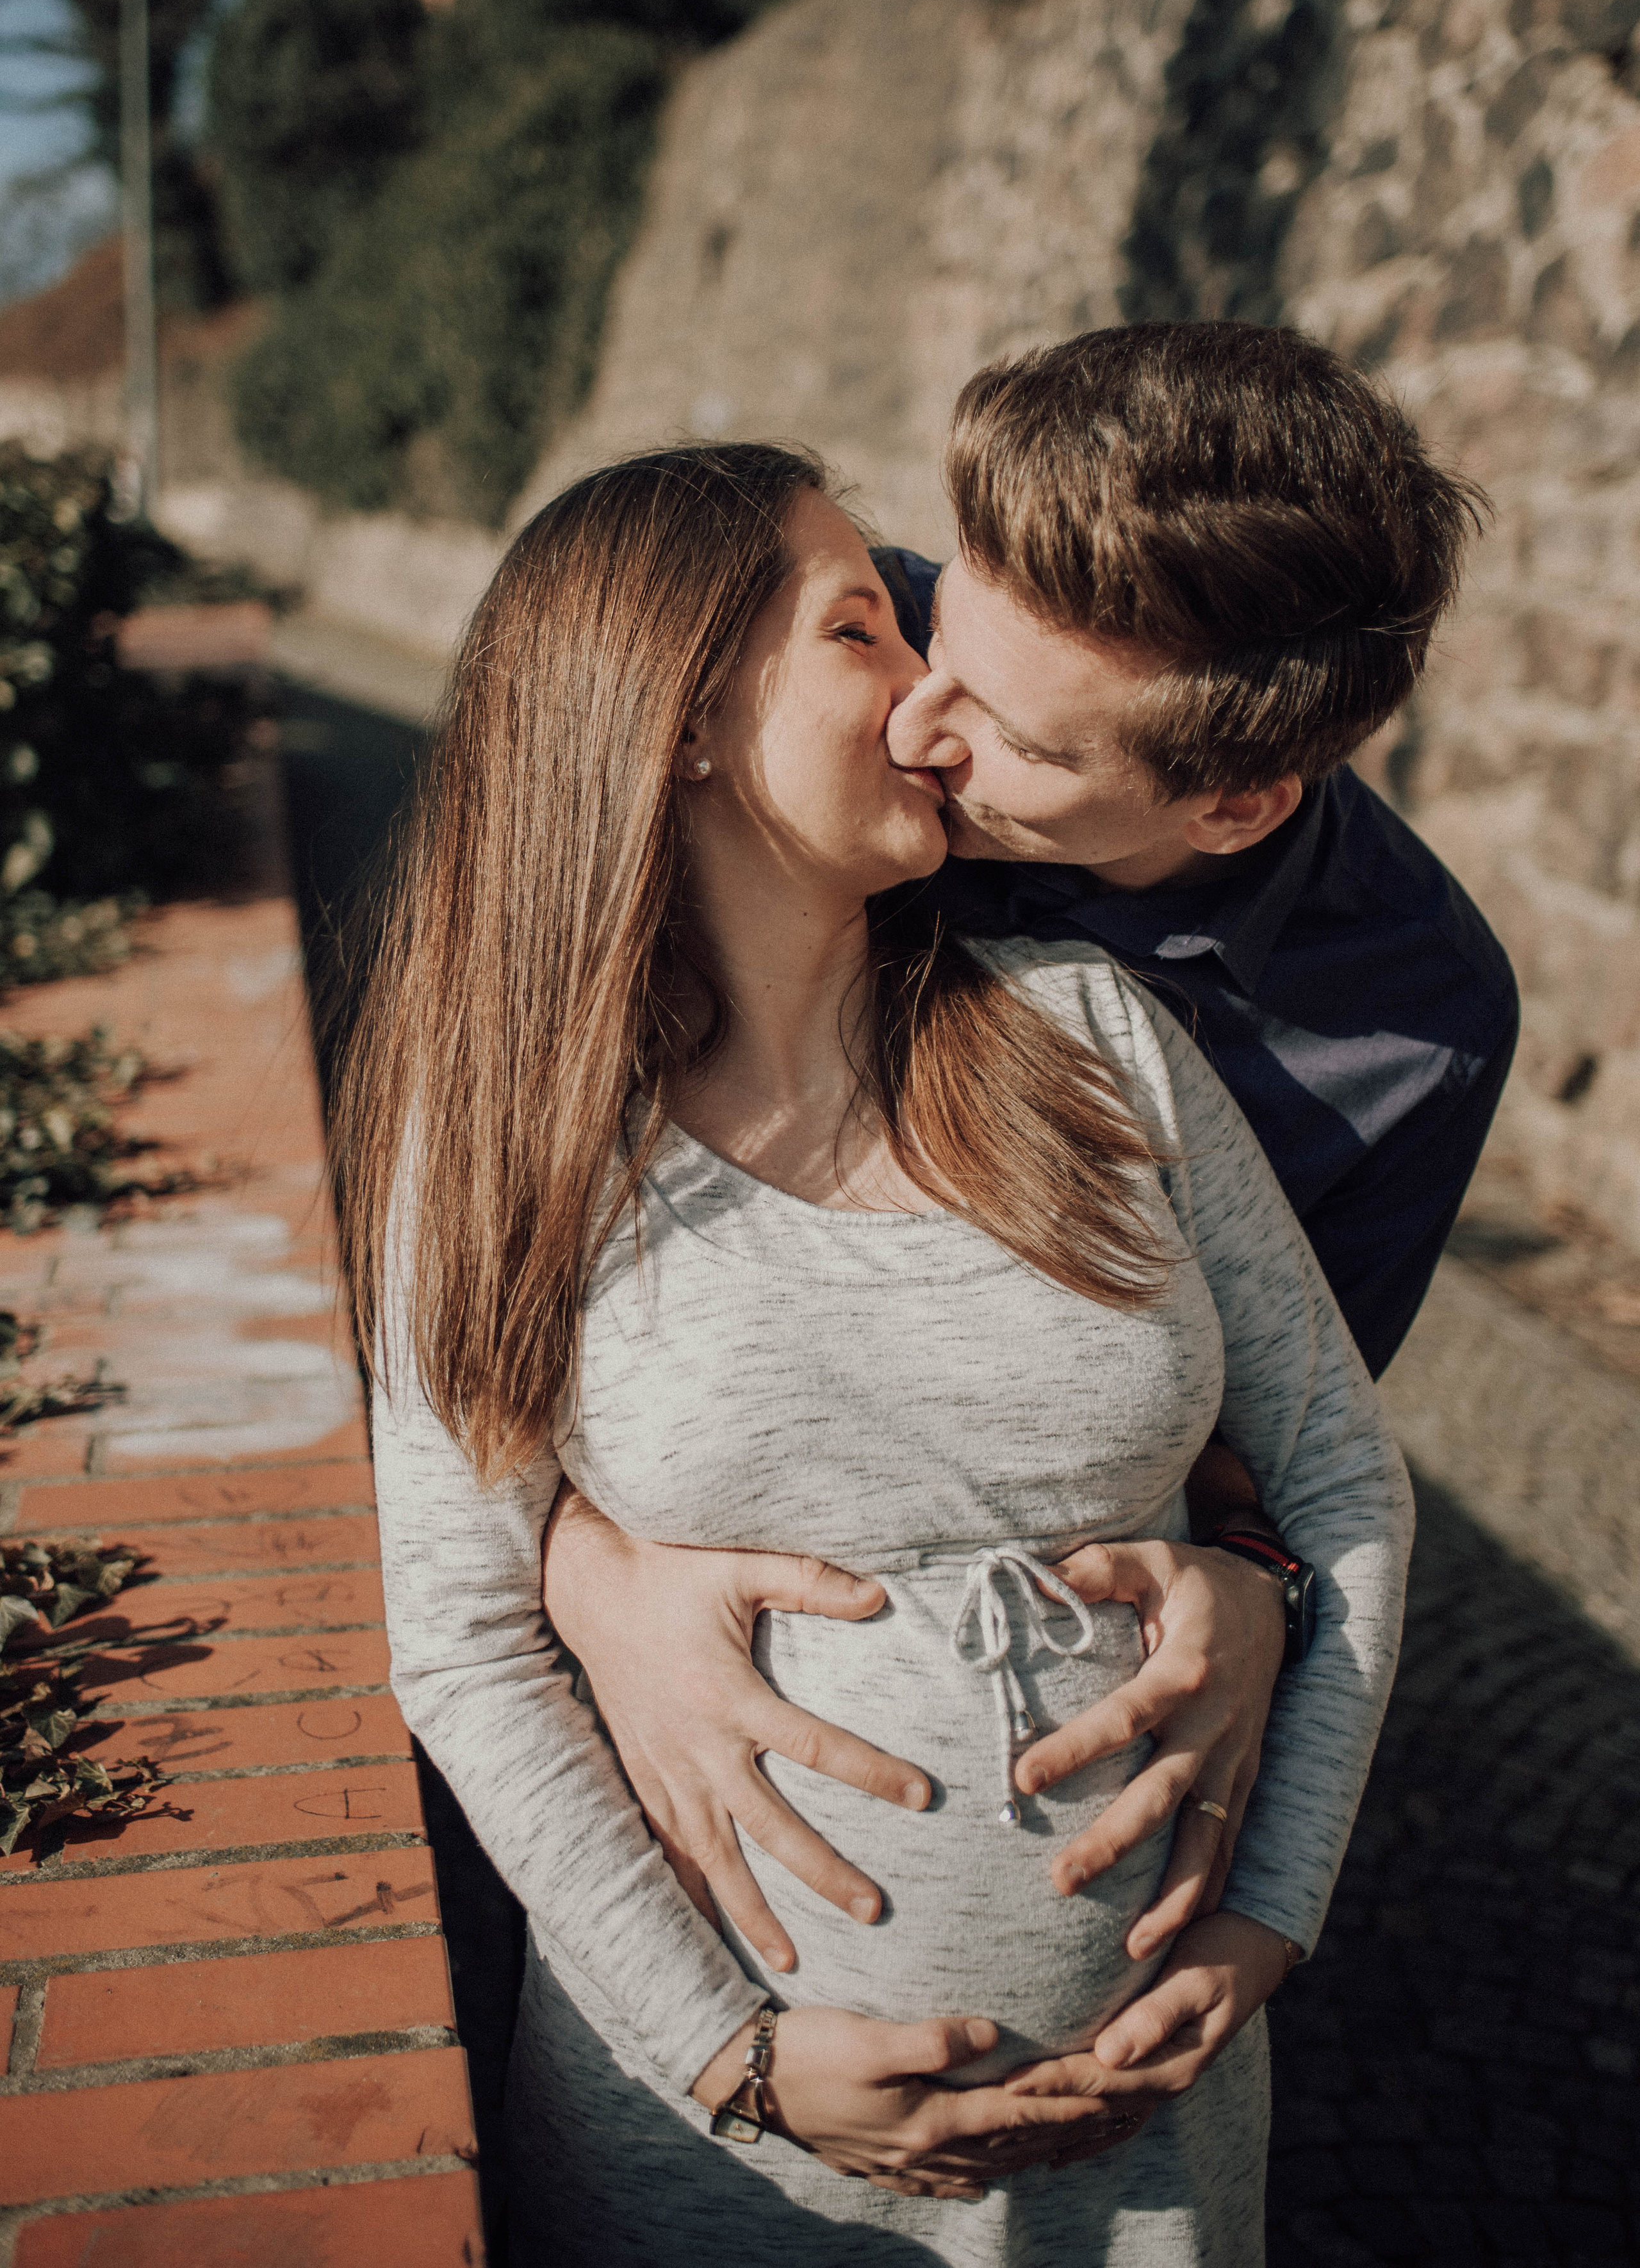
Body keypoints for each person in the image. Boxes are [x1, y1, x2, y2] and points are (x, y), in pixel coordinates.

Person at [348, 439, 1415, 2265]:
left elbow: (1340, 1475)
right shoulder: (508, 1133)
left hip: (1150, 2150)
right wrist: (734, 2060)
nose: (931, 694)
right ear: (675, 714)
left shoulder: (1095, 1038)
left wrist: (1268, 1917)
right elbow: (459, 1631)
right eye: (863, 627)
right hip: (722, 2169)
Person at [538, 323, 1517, 2039]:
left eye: (1009, 732)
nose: (916, 717)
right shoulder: (857, 662)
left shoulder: (1405, 1024)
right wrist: (582, 1566)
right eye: (937, 621)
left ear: (1235, 803)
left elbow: (1277, 1441)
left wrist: (1257, 1582)